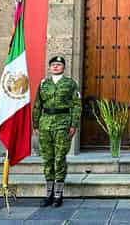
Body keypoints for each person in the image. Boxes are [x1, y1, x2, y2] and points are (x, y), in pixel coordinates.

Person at [33, 56, 81, 208]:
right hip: (45, 124)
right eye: (53, 65)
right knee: (47, 159)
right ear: (49, 68)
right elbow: (37, 105)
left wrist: (74, 124)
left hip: (63, 124)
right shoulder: (43, 84)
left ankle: (58, 194)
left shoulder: (70, 84)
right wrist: (35, 123)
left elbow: (76, 105)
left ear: (63, 67)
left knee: (59, 158)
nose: (55, 67)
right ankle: (49, 193)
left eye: (59, 65)